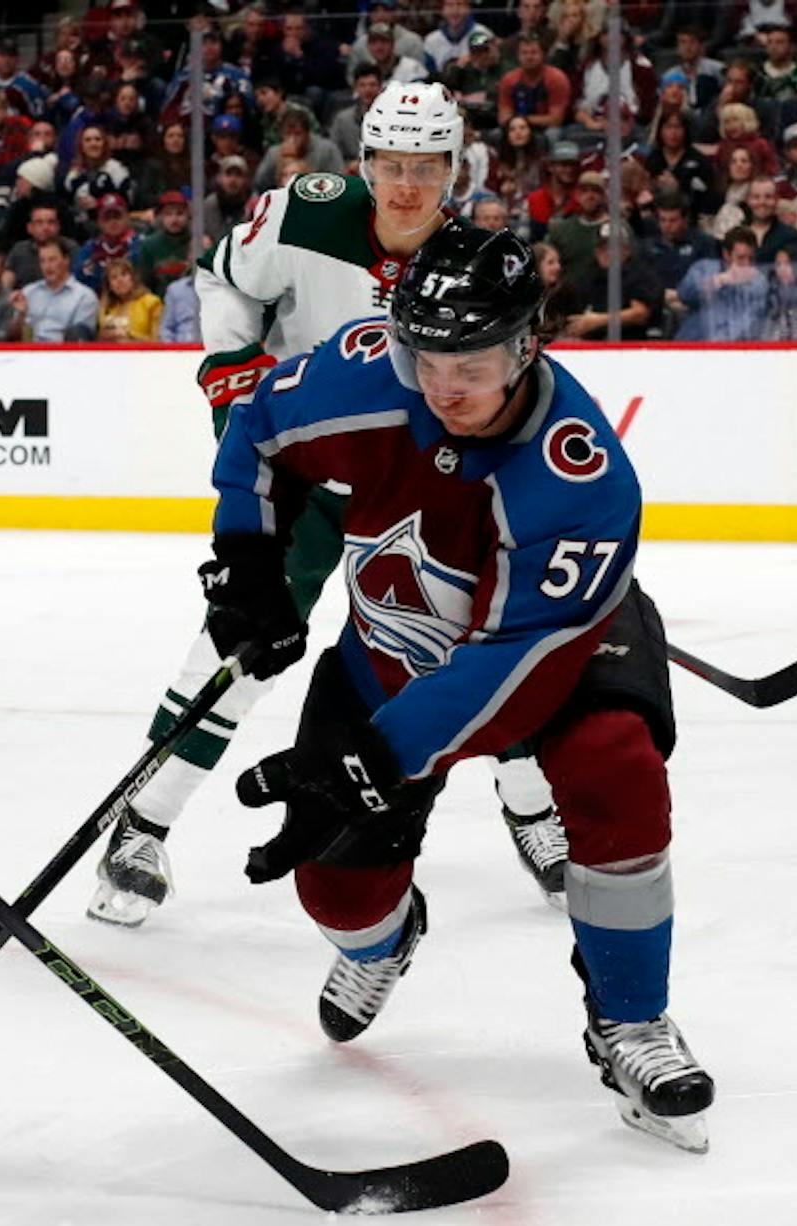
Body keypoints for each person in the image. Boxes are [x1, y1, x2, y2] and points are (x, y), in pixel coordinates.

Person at [208, 217, 712, 1154]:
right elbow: (259, 431)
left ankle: (631, 1019)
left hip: (559, 654)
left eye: (473, 363)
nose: (445, 386)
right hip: (390, 645)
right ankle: (382, 941)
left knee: (616, 768)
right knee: (336, 888)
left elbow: (516, 662)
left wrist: (383, 755)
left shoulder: (580, 474)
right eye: (428, 357)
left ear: (528, 343)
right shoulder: (367, 370)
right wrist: (246, 561)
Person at [91, 82, 568, 929]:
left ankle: (531, 807)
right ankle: (141, 821)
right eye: (391, 164)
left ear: (456, 171)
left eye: (428, 167)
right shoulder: (305, 214)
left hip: (412, 486)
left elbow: (509, 387)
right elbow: (223, 280)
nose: (408, 185)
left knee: (491, 647)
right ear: (364, 163)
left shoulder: (475, 262)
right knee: (242, 640)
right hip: (305, 474)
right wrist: (236, 370)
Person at [12, 238, 96, 342]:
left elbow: (80, 339)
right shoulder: (28, 292)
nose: (47, 267)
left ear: (66, 260)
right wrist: (21, 315)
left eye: (52, 260)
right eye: (43, 261)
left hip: (63, 354)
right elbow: (13, 337)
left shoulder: (84, 296)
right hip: (29, 353)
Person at [96, 257, 161, 341]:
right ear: (109, 286)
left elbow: (157, 342)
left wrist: (128, 335)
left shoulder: (152, 303)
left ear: (133, 278)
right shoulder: (106, 307)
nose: (120, 280)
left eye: (124, 274)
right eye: (114, 277)